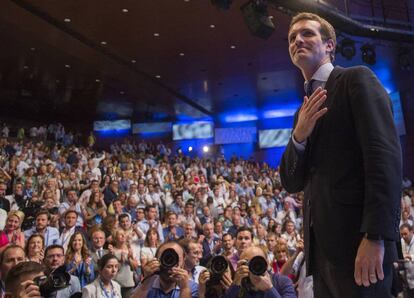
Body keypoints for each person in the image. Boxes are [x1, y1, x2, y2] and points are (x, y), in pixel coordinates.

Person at [280, 12, 402, 297]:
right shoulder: (302, 112)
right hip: (321, 256)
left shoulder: (355, 79)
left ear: (330, 45)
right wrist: (299, 135)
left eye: (307, 33)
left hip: (361, 245)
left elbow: (383, 159)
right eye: (292, 37)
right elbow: (291, 181)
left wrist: (376, 236)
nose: (298, 39)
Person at [131, 240, 198, 298]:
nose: (170, 264)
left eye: (175, 259)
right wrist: (146, 280)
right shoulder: (147, 284)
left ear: (183, 262)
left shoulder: (192, 288)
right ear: (156, 260)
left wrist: (184, 289)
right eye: (166, 258)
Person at [223, 246, 296, 298]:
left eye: (258, 262)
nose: (254, 266)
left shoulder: (282, 282)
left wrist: (270, 289)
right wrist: (235, 286)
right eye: (248, 263)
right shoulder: (240, 285)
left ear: (267, 263)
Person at [400, 224, 414, 297]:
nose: (403, 236)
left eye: (405, 234)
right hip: (406, 280)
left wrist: (411, 256)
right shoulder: (401, 241)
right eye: (402, 234)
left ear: (411, 231)